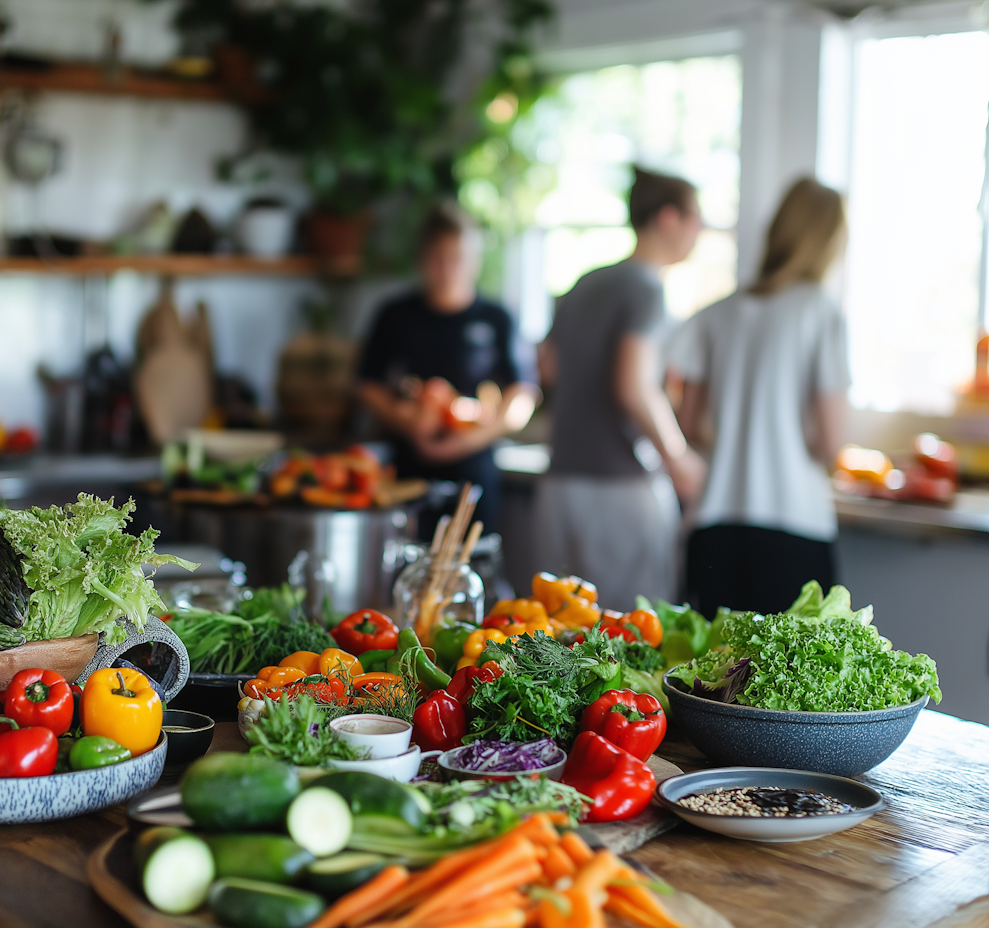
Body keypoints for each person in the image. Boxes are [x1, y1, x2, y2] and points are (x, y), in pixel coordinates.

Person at [670, 178, 849, 617]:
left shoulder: (716, 313)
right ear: (827, 242)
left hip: (714, 523)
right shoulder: (820, 311)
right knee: (789, 681)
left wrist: (737, 437)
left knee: (709, 680)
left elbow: (689, 426)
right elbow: (831, 442)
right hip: (794, 523)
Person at [535, 167, 706, 609]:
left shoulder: (587, 281)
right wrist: (678, 456)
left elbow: (547, 366)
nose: (700, 231)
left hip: (559, 483)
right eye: (695, 219)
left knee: (560, 632)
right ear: (668, 219)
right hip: (620, 490)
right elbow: (632, 384)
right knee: (630, 632)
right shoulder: (647, 288)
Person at [357, 204, 538, 533]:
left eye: (457, 258)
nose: (447, 269)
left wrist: (471, 439)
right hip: (409, 471)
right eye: (438, 258)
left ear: (474, 260)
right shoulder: (396, 315)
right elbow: (369, 384)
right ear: (422, 259)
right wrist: (408, 422)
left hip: (475, 472)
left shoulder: (497, 319)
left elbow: (522, 395)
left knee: (472, 567)